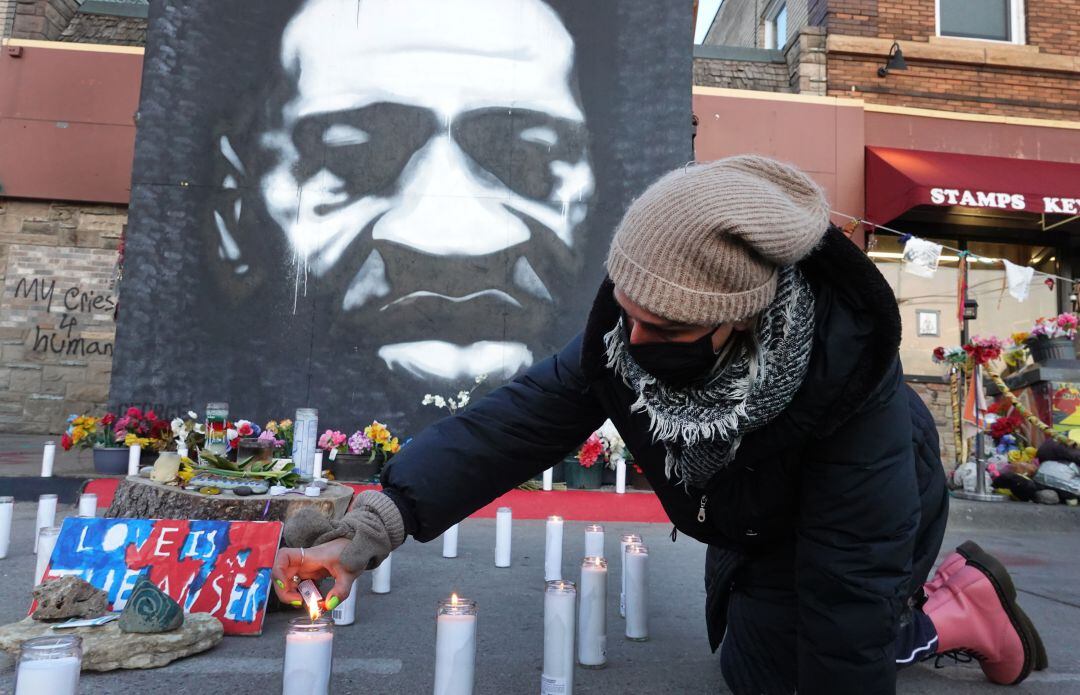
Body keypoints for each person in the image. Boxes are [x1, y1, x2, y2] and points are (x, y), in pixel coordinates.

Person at [272, 156, 1045, 694]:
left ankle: (957, 606)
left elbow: (849, 587)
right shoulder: (626, 336)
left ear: (737, 324)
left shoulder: (850, 393)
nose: (632, 349)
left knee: (804, 668)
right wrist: (372, 524)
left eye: (664, 331)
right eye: (627, 316)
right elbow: (511, 426)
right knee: (754, 663)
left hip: (867, 509)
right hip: (753, 517)